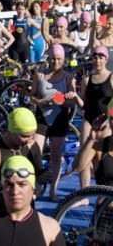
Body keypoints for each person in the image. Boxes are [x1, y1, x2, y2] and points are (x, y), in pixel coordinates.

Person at [30, 43, 83, 201]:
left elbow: (72, 102)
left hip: (60, 119)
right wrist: (39, 102)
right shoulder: (39, 75)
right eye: (53, 59)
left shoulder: (68, 77)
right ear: (48, 59)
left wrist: (63, 102)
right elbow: (31, 95)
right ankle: (38, 185)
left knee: (55, 156)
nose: (55, 62)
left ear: (64, 59)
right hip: (42, 117)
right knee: (35, 151)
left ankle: (53, 190)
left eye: (59, 59)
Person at [0, 108, 43, 205]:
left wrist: (42, 178)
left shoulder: (33, 147)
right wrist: (6, 183)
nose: (29, 140)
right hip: (2, 214)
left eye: (32, 135)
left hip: (27, 212)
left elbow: (38, 177)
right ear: (11, 131)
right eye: (25, 136)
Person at [76, 46, 113, 205]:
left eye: (101, 57)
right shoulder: (86, 80)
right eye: (95, 57)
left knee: (103, 156)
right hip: (90, 120)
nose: (97, 60)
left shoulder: (111, 78)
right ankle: (84, 193)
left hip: (108, 120)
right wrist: (76, 99)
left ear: (106, 59)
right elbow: (83, 104)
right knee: (86, 151)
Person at [76, 98, 113, 187]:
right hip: (106, 199)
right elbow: (77, 168)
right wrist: (90, 139)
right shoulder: (99, 145)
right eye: (112, 118)